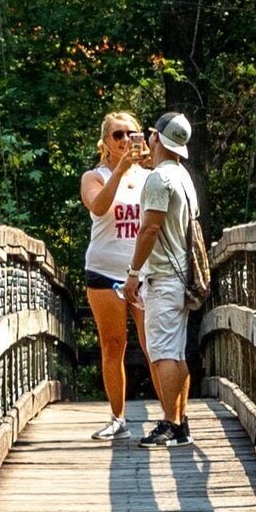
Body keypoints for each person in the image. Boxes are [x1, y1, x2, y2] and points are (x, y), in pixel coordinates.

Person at [121, 110, 207, 446]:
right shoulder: (182, 175)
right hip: (181, 276)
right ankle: (180, 423)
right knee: (176, 352)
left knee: (162, 354)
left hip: (163, 277)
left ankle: (171, 424)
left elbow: (150, 228)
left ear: (155, 137)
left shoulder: (159, 179)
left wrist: (132, 274)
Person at [78, 111, 148, 440]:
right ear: (106, 141)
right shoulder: (95, 176)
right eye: (118, 135)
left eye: (131, 134)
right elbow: (99, 207)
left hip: (145, 273)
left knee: (155, 347)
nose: (124, 140)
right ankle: (118, 418)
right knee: (113, 345)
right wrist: (119, 171)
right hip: (104, 270)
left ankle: (172, 422)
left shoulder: (153, 176)